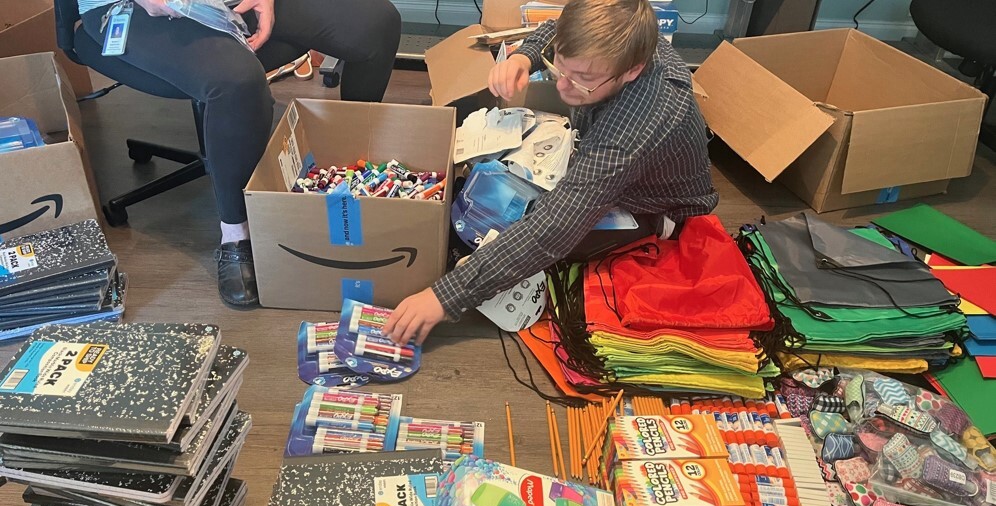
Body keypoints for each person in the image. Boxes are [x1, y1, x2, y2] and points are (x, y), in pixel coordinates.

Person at [383, 0, 718, 345]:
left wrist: (443, 298)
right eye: (559, 67)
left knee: (518, 221)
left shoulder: (638, 127)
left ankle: (652, 231)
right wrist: (523, 57)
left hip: (654, 208)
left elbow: (553, 228)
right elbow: (555, 29)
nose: (562, 86)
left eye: (584, 79)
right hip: (600, 157)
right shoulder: (620, 34)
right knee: (495, 179)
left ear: (632, 70)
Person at [75, 0, 401, 306]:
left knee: (376, 23)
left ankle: (354, 173)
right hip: (132, 8)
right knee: (237, 81)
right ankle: (236, 234)